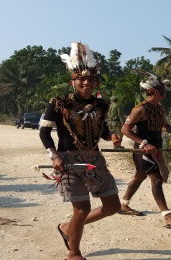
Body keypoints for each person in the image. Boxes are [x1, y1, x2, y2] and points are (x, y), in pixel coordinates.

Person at [39, 42, 120, 260]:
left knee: (113, 206)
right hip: (68, 161)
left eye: (92, 79)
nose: (86, 82)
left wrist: (111, 136)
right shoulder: (59, 103)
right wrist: (54, 156)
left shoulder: (102, 105)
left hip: (95, 159)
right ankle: (73, 252)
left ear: (97, 81)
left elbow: (103, 131)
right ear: (73, 81)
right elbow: (44, 133)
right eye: (82, 79)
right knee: (82, 208)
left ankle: (68, 228)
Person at [119, 73, 171, 228]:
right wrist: (143, 143)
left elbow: (165, 126)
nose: (165, 93)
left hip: (155, 148)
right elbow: (125, 129)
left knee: (140, 176)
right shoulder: (140, 109)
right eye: (162, 90)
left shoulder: (159, 108)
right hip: (144, 150)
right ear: (153, 91)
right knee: (156, 179)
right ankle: (167, 215)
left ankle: (123, 204)